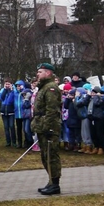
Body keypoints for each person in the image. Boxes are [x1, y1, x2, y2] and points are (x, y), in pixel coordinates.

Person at [31, 62, 63, 195]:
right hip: (42, 125)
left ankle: (55, 184)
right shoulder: (43, 87)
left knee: (51, 155)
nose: (37, 74)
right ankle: (51, 181)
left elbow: (51, 110)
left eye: (40, 72)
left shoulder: (51, 88)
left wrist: (48, 127)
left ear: (48, 73)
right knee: (45, 155)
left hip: (49, 126)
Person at [0, 80, 17, 148]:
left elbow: (11, 100)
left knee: (11, 126)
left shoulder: (14, 91)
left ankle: (14, 142)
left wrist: (11, 91)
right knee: (6, 127)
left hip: (11, 111)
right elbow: (1, 98)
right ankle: (8, 142)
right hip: (4, 111)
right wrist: (5, 90)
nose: (7, 85)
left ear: (11, 84)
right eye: (6, 84)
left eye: (8, 84)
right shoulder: (2, 90)